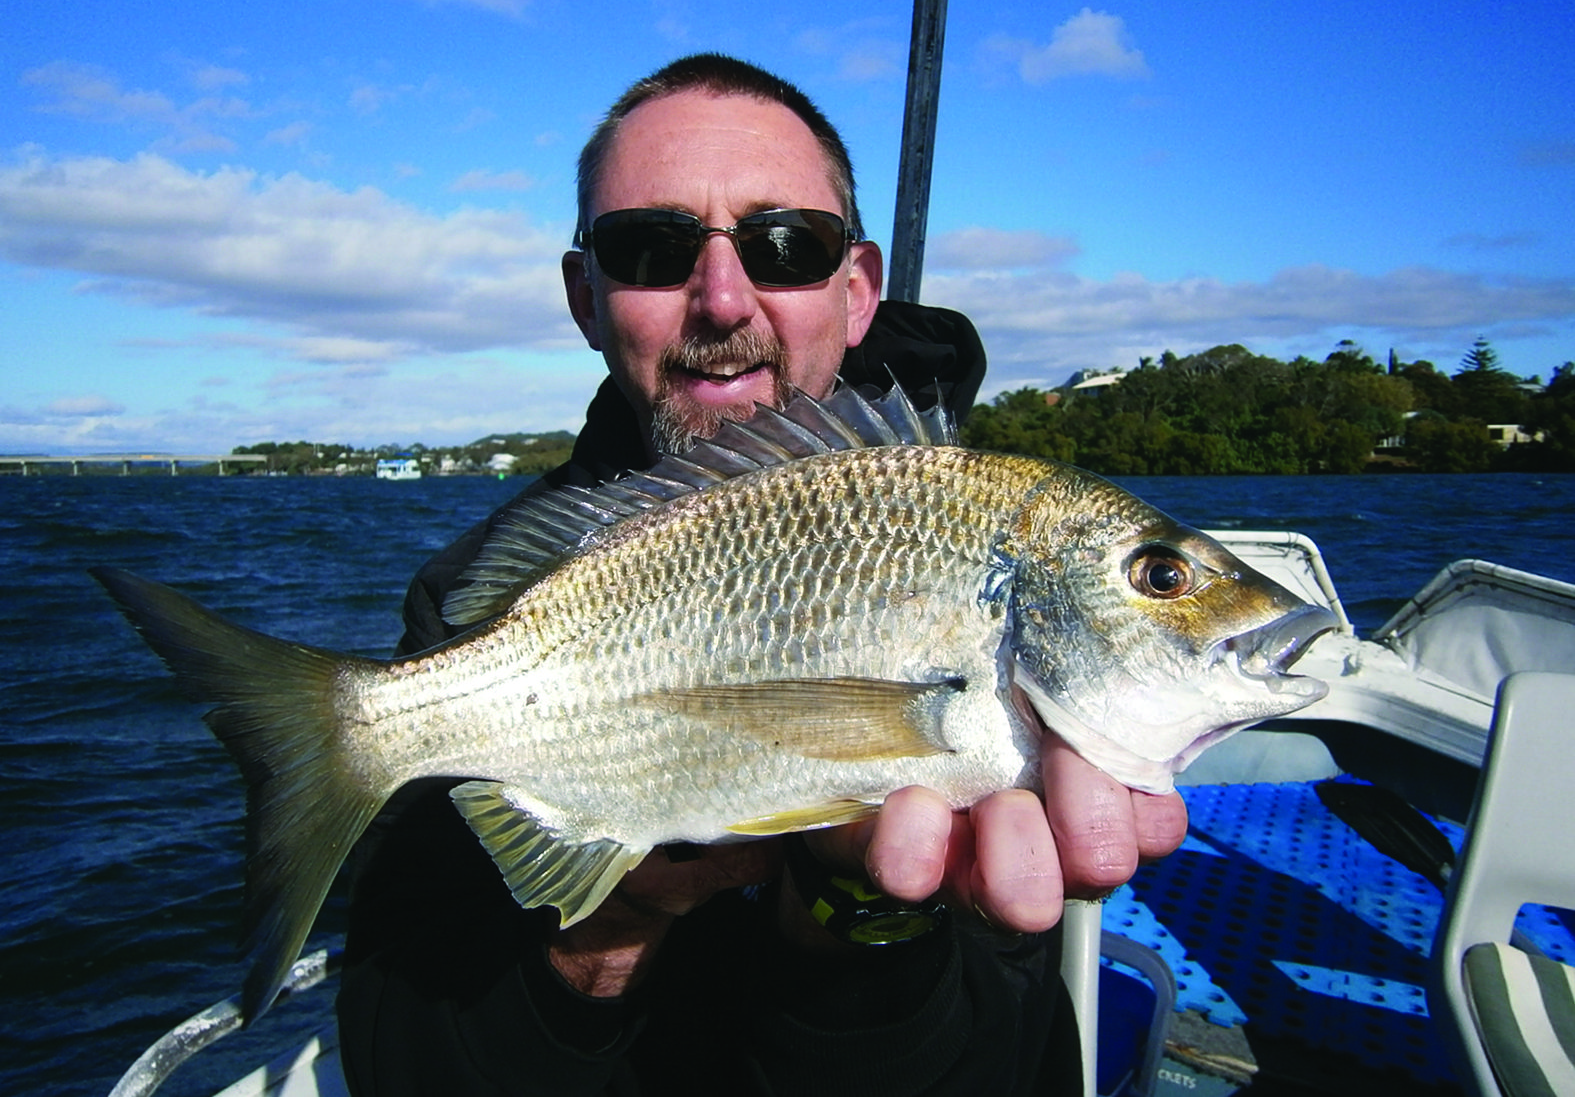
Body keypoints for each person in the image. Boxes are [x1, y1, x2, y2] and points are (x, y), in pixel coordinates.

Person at [337, 53, 1188, 1095]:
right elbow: (404, 1055)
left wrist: (864, 909)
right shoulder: (480, 600)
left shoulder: (979, 528)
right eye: (651, 246)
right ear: (586, 296)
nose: (724, 296)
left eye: (789, 243)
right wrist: (613, 920)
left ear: (858, 288)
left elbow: (1016, 1064)